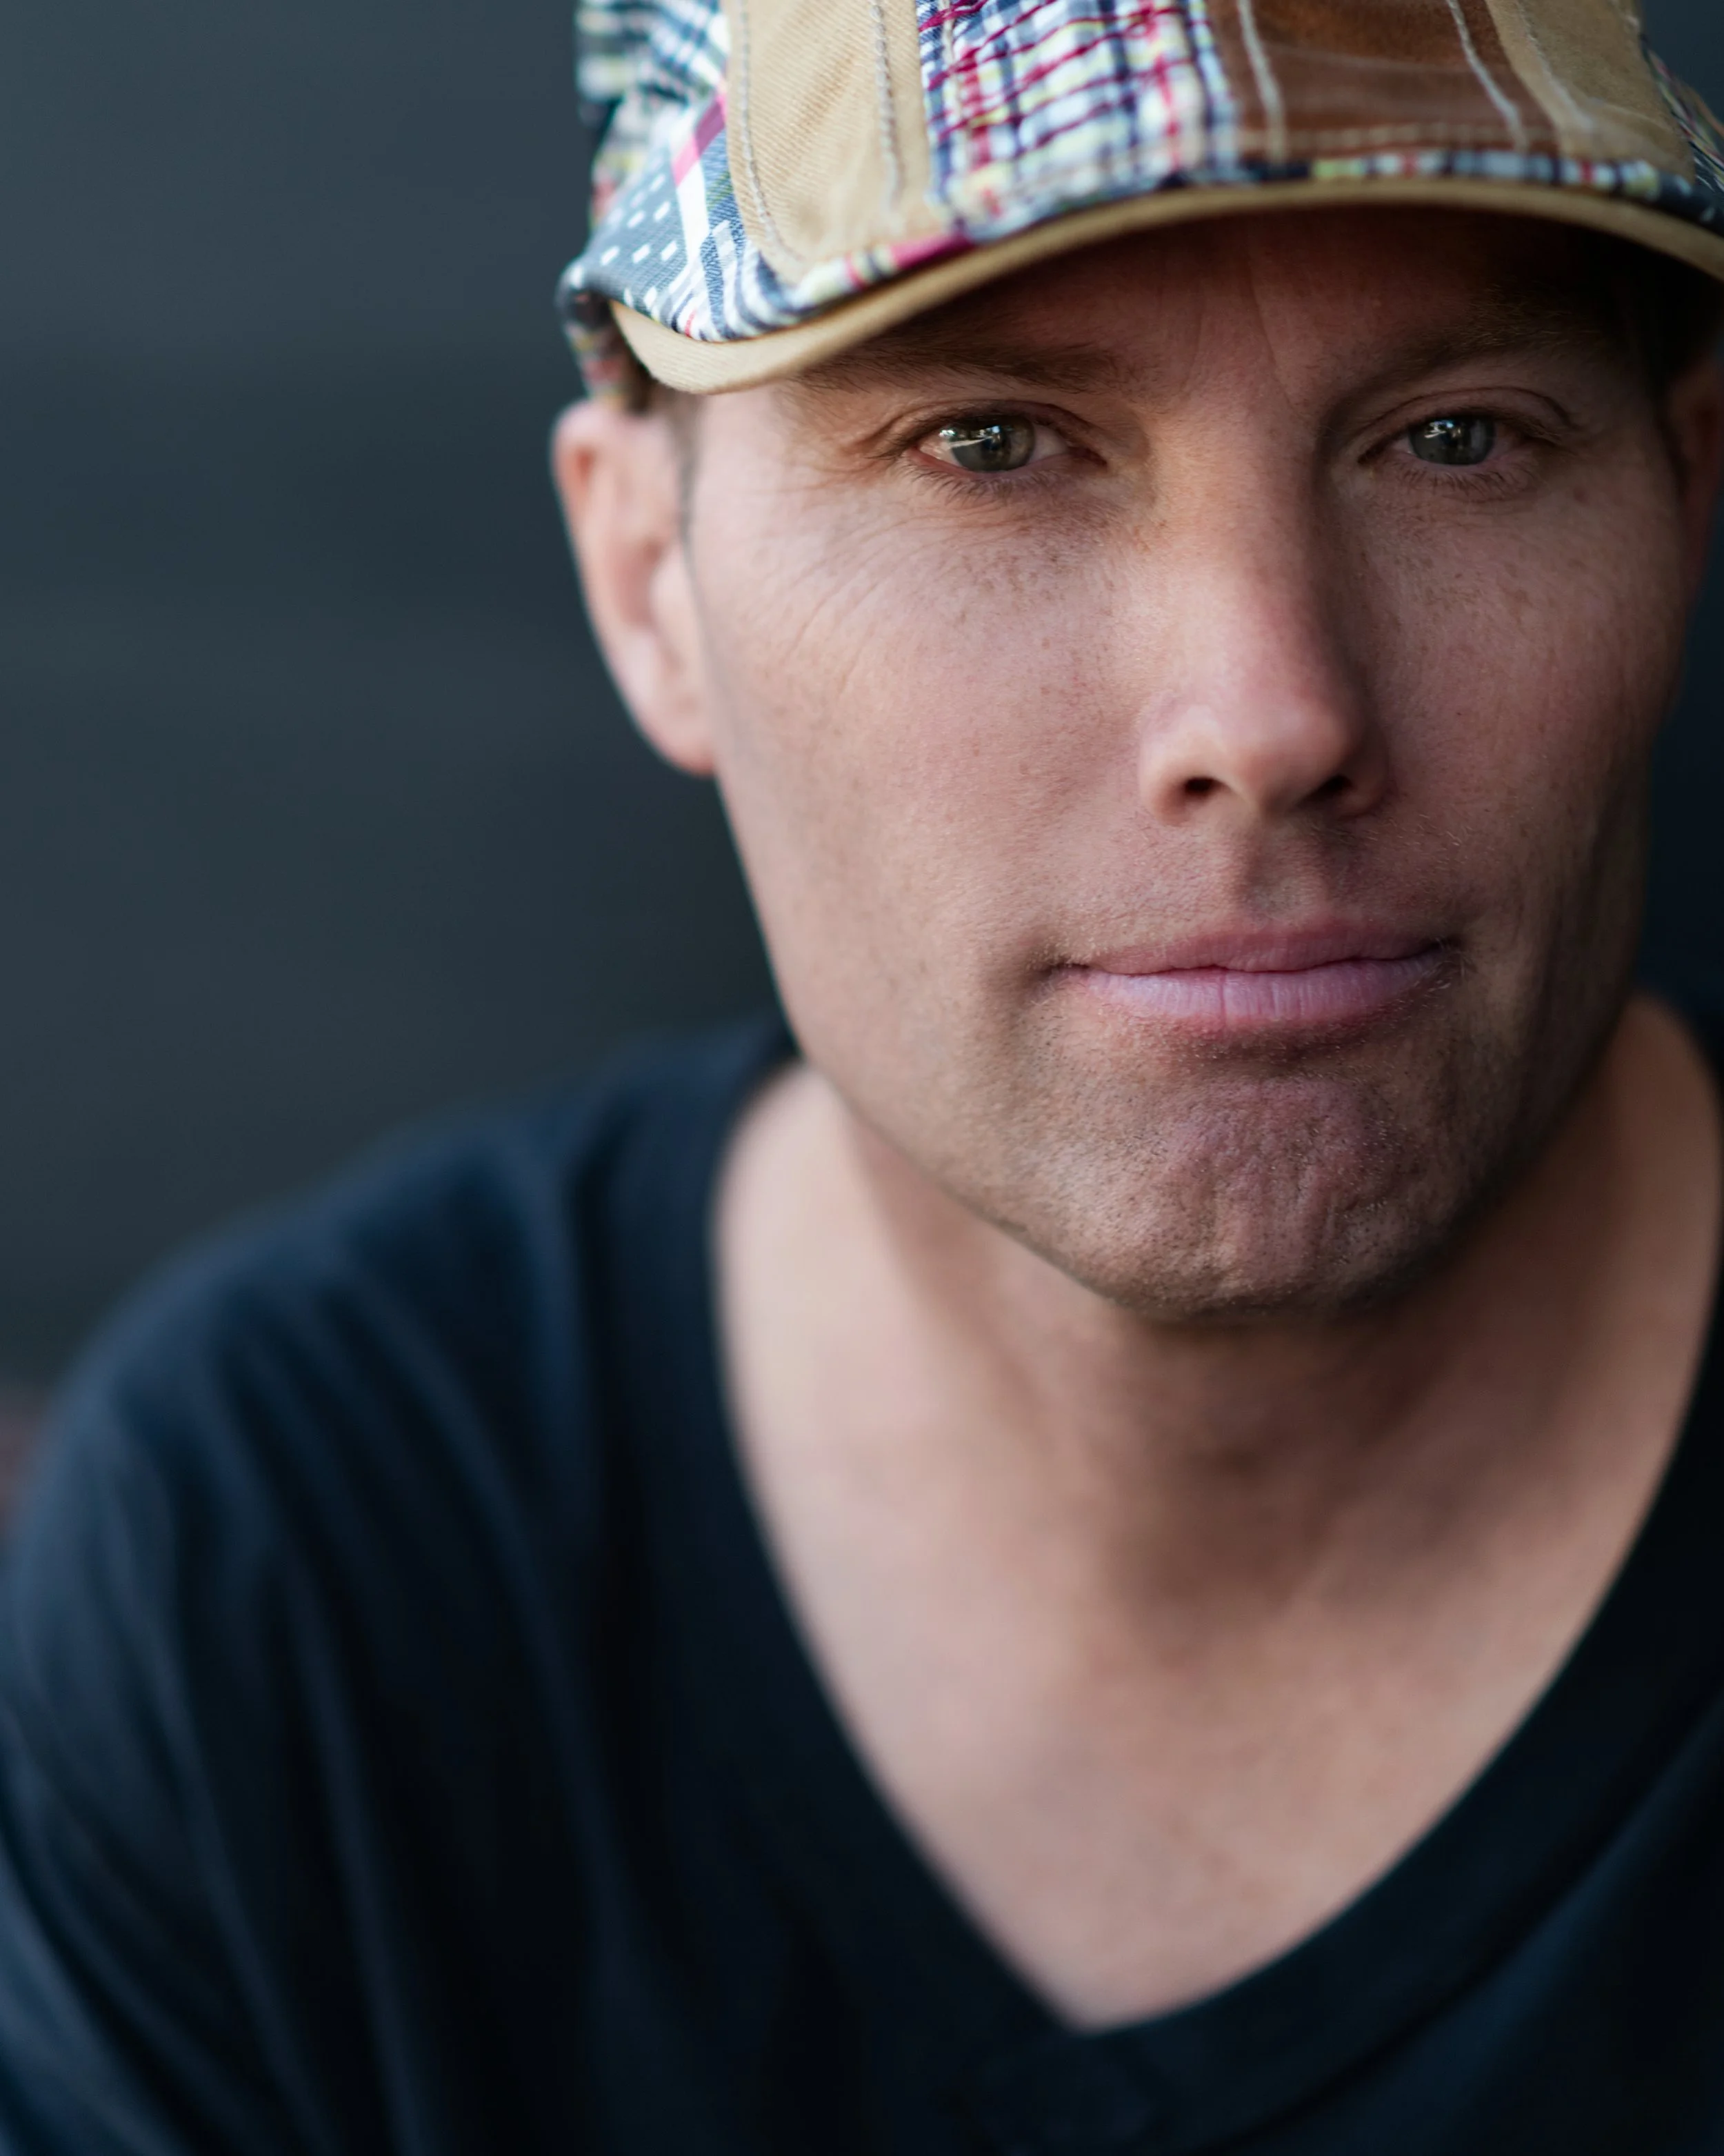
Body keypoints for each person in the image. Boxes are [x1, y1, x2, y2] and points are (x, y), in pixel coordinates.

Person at [5, 1, 1724, 2149]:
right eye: (991, 443)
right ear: (651, 581)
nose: (1271, 705)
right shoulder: (297, 1576)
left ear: (1686, 486)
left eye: (1455, 437)